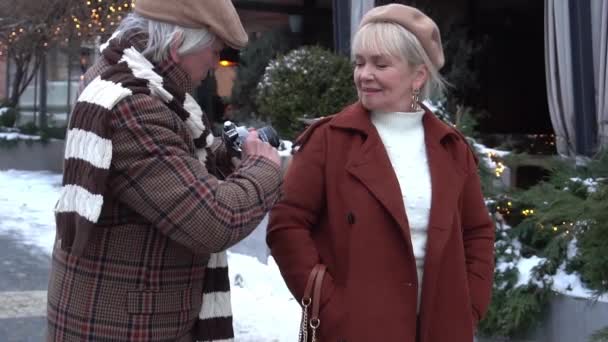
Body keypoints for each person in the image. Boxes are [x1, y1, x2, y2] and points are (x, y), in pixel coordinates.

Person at [47, 1, 281, 341]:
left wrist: (231, 155)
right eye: (213, 50)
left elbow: (176, 161)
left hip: (126, 317)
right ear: (176, 45)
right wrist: (263, 166)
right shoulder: (132, 105)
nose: (216, 63)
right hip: (126, 328)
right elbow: (214, 220)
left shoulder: (138, 80)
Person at [267, 4, 495, 342]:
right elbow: (287, 226)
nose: (364, 74)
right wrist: (329, 306)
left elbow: (477, 233)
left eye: (380, 64)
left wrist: (469, 306)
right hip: (356, 330)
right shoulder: (329, 141)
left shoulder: (451, 147)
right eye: (359, 62)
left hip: (440, 329)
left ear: (418, 75)